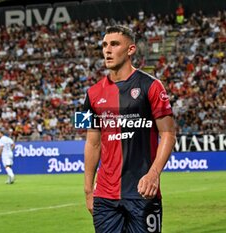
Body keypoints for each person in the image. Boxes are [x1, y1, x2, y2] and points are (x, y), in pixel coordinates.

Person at [83, 25, 176, 233]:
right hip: (105, 197)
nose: (107, 50)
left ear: (131, 49)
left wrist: (154, 174)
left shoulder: (152, 86)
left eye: (114, 44)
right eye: (105, 45)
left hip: (143, 193)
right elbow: (91, 142)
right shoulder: (91, 94)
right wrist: (89, 190)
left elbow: (169, 134)